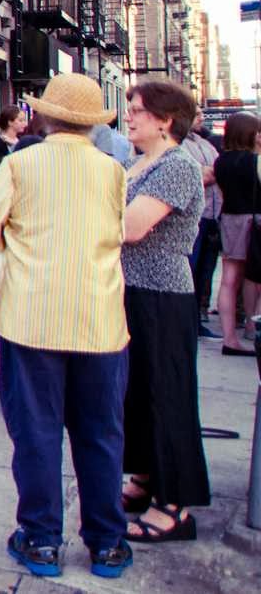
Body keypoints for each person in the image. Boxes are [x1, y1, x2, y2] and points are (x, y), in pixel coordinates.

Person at [0, 73, 134, 580]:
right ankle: (107, 543)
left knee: (37, 432)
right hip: (99, 318)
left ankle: (42, 540)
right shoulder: (113, 171)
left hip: (32, 318)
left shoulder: (20, 164)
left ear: (44, 116)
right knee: (102, 434)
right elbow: (117, 232)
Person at [118, 81, 210, 543]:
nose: (129, 116)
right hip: (134, 290)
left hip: (162, 295)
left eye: (137, 110)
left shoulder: (178, 165)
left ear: (165, 120)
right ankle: (146, 479)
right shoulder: (141, 163)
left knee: (167, 394)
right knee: (139, 392)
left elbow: (132, 227)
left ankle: (174, 507)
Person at [210, 111, 260, 357]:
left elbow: (220, 193)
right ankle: (253, 326)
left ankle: (229, 338)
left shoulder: (221, 161)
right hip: (253, 221)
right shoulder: (255, 161)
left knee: (229, 280)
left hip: (229, 219)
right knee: (256, 276)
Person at [182, 114, 223, 340]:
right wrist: (206, 172)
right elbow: (196, 176)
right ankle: (188, 323)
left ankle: (196, 320)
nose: (201, 117)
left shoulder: (204, 143)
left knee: (204, 273)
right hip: (195, 217)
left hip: (212, 216)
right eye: (195, 114)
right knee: (191, 270)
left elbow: (217, 171)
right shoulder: (180, 145)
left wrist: (209, 172)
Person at [0, 106, 28, 186]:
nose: (25, 124)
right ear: (10, 122)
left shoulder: (21, 140)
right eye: (20, 120)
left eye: (24, 120)